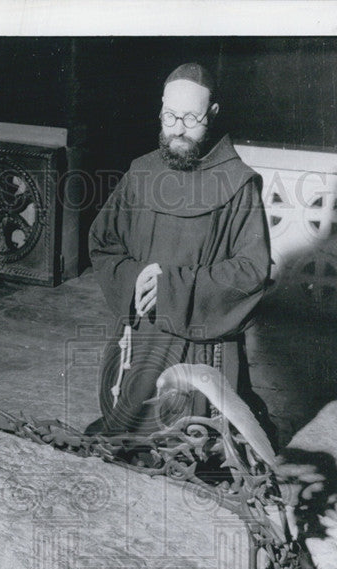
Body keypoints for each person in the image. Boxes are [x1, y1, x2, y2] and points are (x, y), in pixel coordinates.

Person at [85, 62, 272, 437]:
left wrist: (174, 287)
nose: (179, 130)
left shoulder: (237, 184)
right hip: (143, 334)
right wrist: (133, 278)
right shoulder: (140, 173)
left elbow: (252, 271)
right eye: (170, 117)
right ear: (160, 111)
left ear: (213, 115)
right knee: (126, 431)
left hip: (201, 345)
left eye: (192, 118)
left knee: (195, 442)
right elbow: (104, 243)